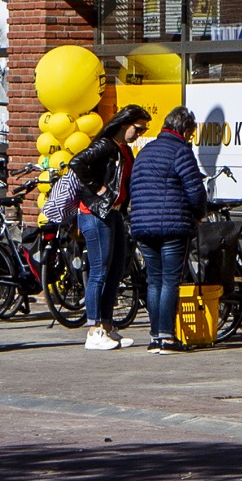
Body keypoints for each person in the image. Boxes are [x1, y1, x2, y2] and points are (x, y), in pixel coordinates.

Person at [124, 105, 207, 352]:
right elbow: (195, 191)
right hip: (172, 227)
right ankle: (168, 337)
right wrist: (199, 214)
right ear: (184, 130)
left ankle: (154, 338)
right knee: (170, 281)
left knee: (154, 281)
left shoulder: (145, 152)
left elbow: (134, 188)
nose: (191, 139)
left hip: (142, 225)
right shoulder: (181, 152)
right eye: (191, 134)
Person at [70, 106, 149, 351]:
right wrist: (98, 189)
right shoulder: (105, 145)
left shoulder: (124, 149)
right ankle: (93, 330)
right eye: (138, 128)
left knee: (115, 272)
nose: (140, 133)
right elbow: (77, 162)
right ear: (125, 123)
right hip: (95, 214)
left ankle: (106, 325)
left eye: (144, 129)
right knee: (99, 271)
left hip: (113, 214)